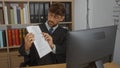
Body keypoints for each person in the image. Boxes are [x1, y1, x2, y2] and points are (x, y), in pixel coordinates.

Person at [19, 2, 68, 66]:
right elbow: (21, 51)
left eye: (56, 17)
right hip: (37, 65)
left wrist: (52, 46)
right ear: (48, 13)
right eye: (50, 15)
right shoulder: (33, 30)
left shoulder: (65, 33)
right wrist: (26, 47)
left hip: (56, 66)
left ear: (62, 18)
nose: (51, 19)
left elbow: (66, 51)